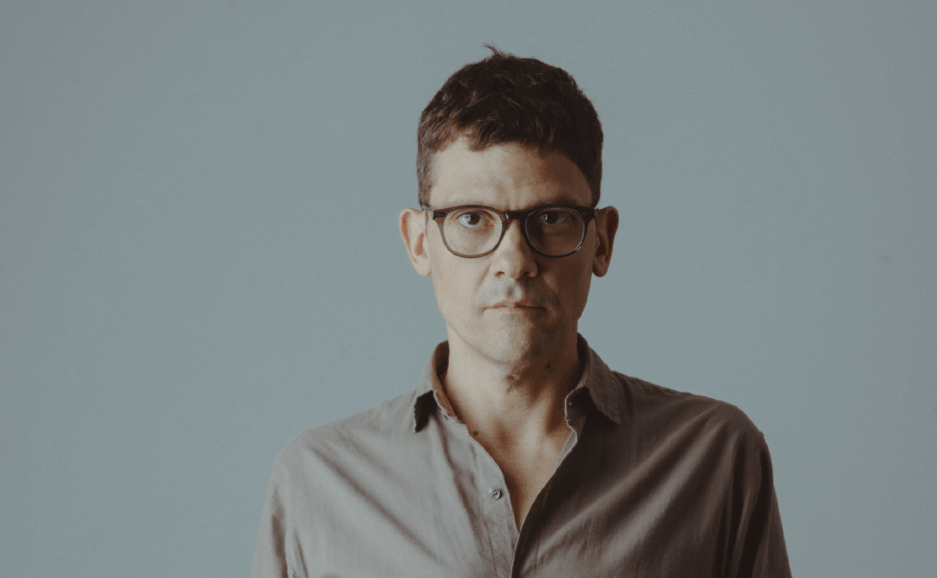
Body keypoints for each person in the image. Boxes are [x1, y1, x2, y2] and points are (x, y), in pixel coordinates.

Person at [252, 48, 791, 577]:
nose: (514, 261)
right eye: (471, 218)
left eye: (551, 218)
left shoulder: (715, 457)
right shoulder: (316, 483)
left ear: (601, 241)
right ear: (418, 242)